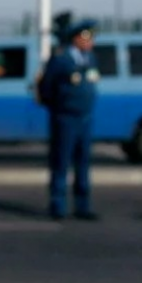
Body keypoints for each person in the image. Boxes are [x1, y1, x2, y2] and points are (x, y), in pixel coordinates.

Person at [38, 12, 100, 221]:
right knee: (61, 161)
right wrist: (59, 107)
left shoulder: (90, 58)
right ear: (76, 38)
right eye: (87, 37)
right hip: (65, 117)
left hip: (85, 117)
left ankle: (83, 205)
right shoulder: (61, 59)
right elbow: (46, 87)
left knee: (83, 162)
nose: (90, 42)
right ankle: (58, 205)